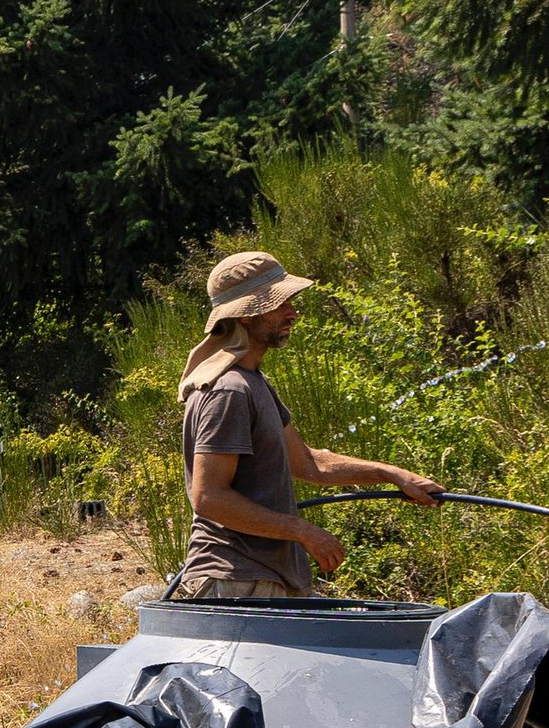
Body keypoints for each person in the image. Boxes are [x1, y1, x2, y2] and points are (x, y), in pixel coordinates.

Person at [175, 251, 443, 600]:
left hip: (265, 580)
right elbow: (210, 498)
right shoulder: (229, 391)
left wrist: (393, 475)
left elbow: (310, 464)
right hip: (236, 581)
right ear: (246, 315)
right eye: (279, 303)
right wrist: (303, 531)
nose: (292, 313)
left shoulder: (253, 383)